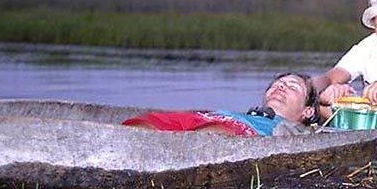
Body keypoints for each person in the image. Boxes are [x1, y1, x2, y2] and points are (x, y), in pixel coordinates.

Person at [122, 73, 318, 136]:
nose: (281, 87)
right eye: (278, 83)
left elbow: (324, 116)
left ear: (307, 110)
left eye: (292, 86)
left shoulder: (296, 130)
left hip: (235, 129)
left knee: (213, 132)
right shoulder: (249, 113)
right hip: (206, 116)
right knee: (147, 121)